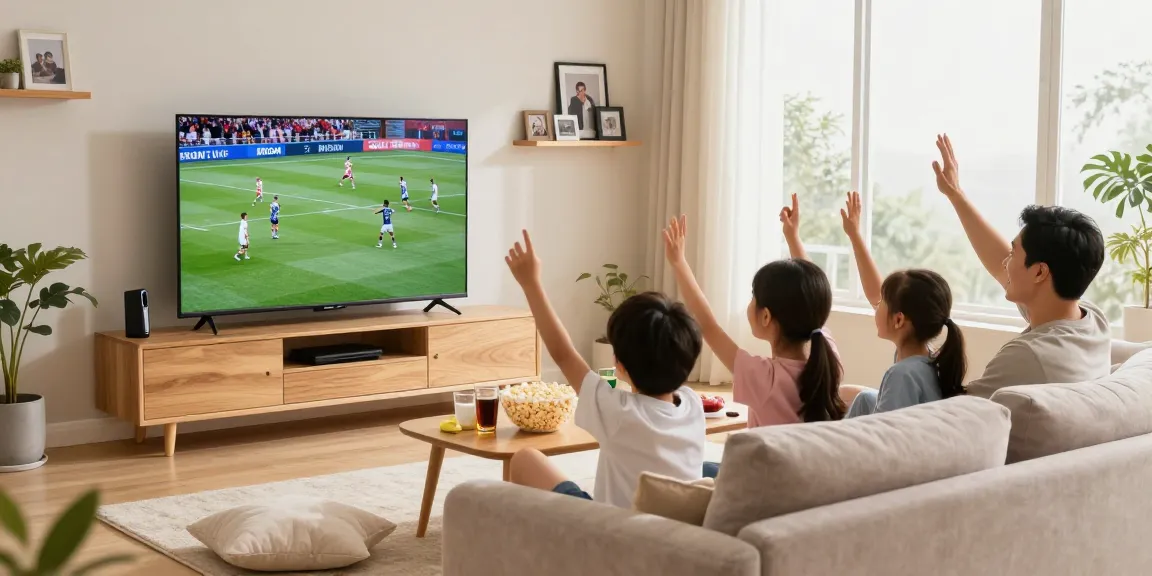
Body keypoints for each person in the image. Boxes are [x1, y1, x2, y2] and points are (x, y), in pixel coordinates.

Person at [504, 230, 705, 508]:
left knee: (525, 459)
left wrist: (531, 284)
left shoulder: (618, 412)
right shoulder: (693, 406)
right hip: (671, 537)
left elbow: (563, 355)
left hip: (607, 533)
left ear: (619, 366)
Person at [665, 195, 844, 479]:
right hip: (809, 477)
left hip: (764, 482)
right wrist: (793, 237)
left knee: (679, 465)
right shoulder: (828, 352)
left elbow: (708, 325)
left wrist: (679, 263)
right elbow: (813, 295)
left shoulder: (766, 379)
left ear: (766, 316)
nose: (750, 303)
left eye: (753, 297)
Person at [932, 134, 1108, 398]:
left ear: (1039, 272)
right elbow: (1000, 265)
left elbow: (955, 413)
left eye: (1013, 253)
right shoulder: (1090, 320)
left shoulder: (1030, 355)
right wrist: (956, 195)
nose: (1006, 261)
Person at [838, 191, 967, 416]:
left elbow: (886, 438)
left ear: (899, 320)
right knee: (863, 398)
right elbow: (874, 293)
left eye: (881, 304)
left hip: (896, 445)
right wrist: (854, 235)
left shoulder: (901, 374)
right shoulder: (929, 358)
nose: (876, 305)